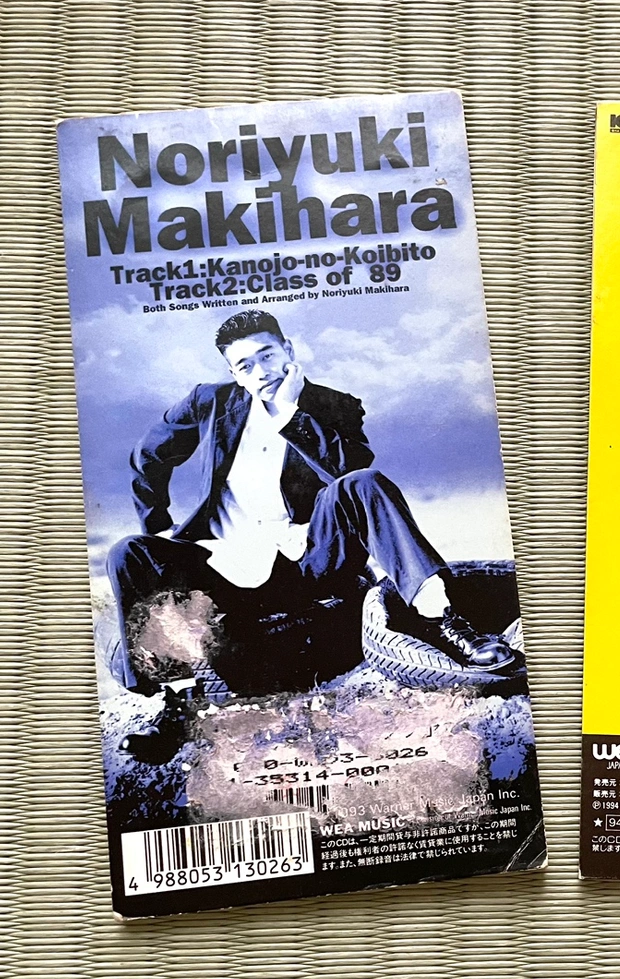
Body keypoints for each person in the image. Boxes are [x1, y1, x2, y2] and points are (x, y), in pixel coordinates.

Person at [108, 309, 513, 749]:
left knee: (364, 483)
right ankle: (175, 697)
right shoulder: (209, 403)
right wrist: (160, 526)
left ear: (288, 350)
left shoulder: (335, 405)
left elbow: (348, 470)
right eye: (245, 365)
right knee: (129, 552)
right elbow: (148, 456)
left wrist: (290, 412)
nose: (260, 371)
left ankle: (445, 621)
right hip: (223, 570)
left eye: (267, 355)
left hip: (307, 562)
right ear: (234, 373)